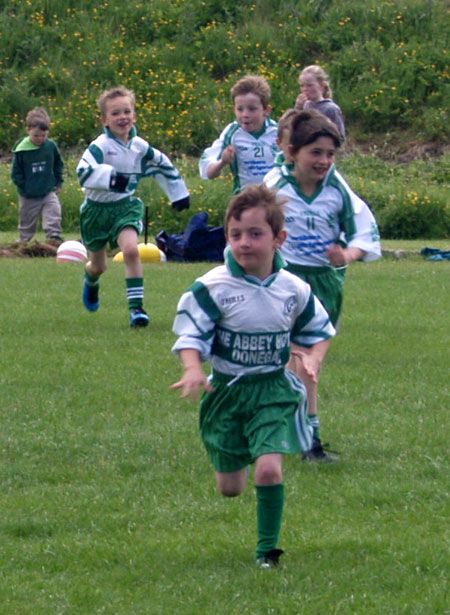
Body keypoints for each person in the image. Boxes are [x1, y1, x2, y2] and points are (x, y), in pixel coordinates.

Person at [171, 184, 335, 567]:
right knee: (230, 488)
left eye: (255, 234)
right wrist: (194, 368)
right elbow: (190, 335)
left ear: (279, 238)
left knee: (268, 469)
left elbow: (320, 331)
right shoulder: (212, 287)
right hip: (226, 392)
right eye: (235, 234)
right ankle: (239, 451)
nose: (244, 243)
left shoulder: (293, 289)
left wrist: (312, 359)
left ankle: (267, 552)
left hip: (273, 391)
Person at [265, 109, 381, 461]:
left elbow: (366, 233)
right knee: (303, 363)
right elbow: (246, 227)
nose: (324, 160)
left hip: (325, 285)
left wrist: (346, 255)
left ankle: (292, 428)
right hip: (286, 279)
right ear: (292, 153)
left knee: (299, 364)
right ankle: (309, 441)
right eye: (316, 152)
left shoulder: (337, 191)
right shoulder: (275, 187)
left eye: (330, 154)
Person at [77, 86, 190, 328]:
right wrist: (110, 179)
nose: (122, 117)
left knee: (131, 251)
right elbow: (83, 172)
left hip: (125, 207)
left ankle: (136, 309)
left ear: (135, 116)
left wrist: (178, 194)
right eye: (116, 113)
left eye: (127, 111)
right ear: (105, 120)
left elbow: (162, 165)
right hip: (95, 212)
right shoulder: (100, 146)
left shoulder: (140, 147)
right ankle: (91, 279)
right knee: (99, 265)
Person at [199, 75, 278, 193]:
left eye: (252, 109)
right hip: (246, 201)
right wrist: (223, 162)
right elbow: (207, 172)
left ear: (266, 110)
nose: (245, 114)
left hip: (275, 201)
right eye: (240, 109)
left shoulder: (277, 132)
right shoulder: (232, 133)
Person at [11, 107, 64, 245]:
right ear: (28, 130)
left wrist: (58, 183)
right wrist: (23, 187)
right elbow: (16, 173)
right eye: (36, 136)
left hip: (48, 190)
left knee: (54, 212)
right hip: (28, 194)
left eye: (43, 135)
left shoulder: (51, 146)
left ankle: (54, 238)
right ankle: (23, 241)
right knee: (27, 221)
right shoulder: (22, 149)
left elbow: (58, 164)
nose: (40, 139)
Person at [295, 65, 346, 141]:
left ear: (322, 85)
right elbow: (294, 128)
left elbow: (340, 137)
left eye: (309, 85)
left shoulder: (331, 109)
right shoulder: (305, 106)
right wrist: (298, 108)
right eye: (302, 86)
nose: (305, 89)